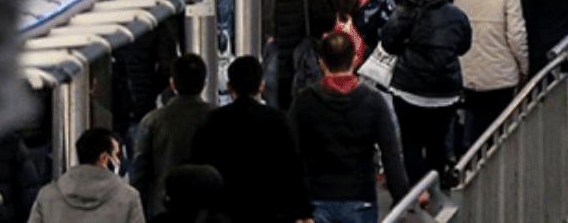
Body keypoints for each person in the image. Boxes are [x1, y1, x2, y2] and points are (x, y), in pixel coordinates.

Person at [289, 31, 411, 223]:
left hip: (316, 198)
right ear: (354, 60)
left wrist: (296, 206)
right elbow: (391, 155)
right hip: (360, 197)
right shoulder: (374, 101)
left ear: (322, 63)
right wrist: (402, 199)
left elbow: (291, 155)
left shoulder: (304, 101)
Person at [380, 0, 473, 190]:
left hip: (409, 87)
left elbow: (389, 44)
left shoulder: (403, 12)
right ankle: (436, 188)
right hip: (445, 90)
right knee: (438, 143)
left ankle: (415, 194)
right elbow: (463, 46)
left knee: (411, 144)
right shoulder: (456, 15)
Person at [189, 55, 313, 223]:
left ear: (230, 87)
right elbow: (293, 169)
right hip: (272, 212)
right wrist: (303, 211)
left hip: (227, 212)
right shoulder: (278, 120)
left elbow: (199, 168)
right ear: (261, 86)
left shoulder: (213, 121)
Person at [451, 0, 529, 148]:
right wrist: (524, 66)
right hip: (501, 73)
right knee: (499, 129)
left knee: (471, 125)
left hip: (468, 71)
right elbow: (516, 35)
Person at [132, 54, 213, 217]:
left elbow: (140, 174)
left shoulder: (152, 121)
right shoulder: (218, 118)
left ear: (173, 84)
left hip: (163, 210)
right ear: (204, 84)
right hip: (208, 210)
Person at [30, 128, 146, 223]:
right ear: (104, 158)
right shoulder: (129, 197)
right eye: (116, 155)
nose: (118, 161)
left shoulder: (47, 196)